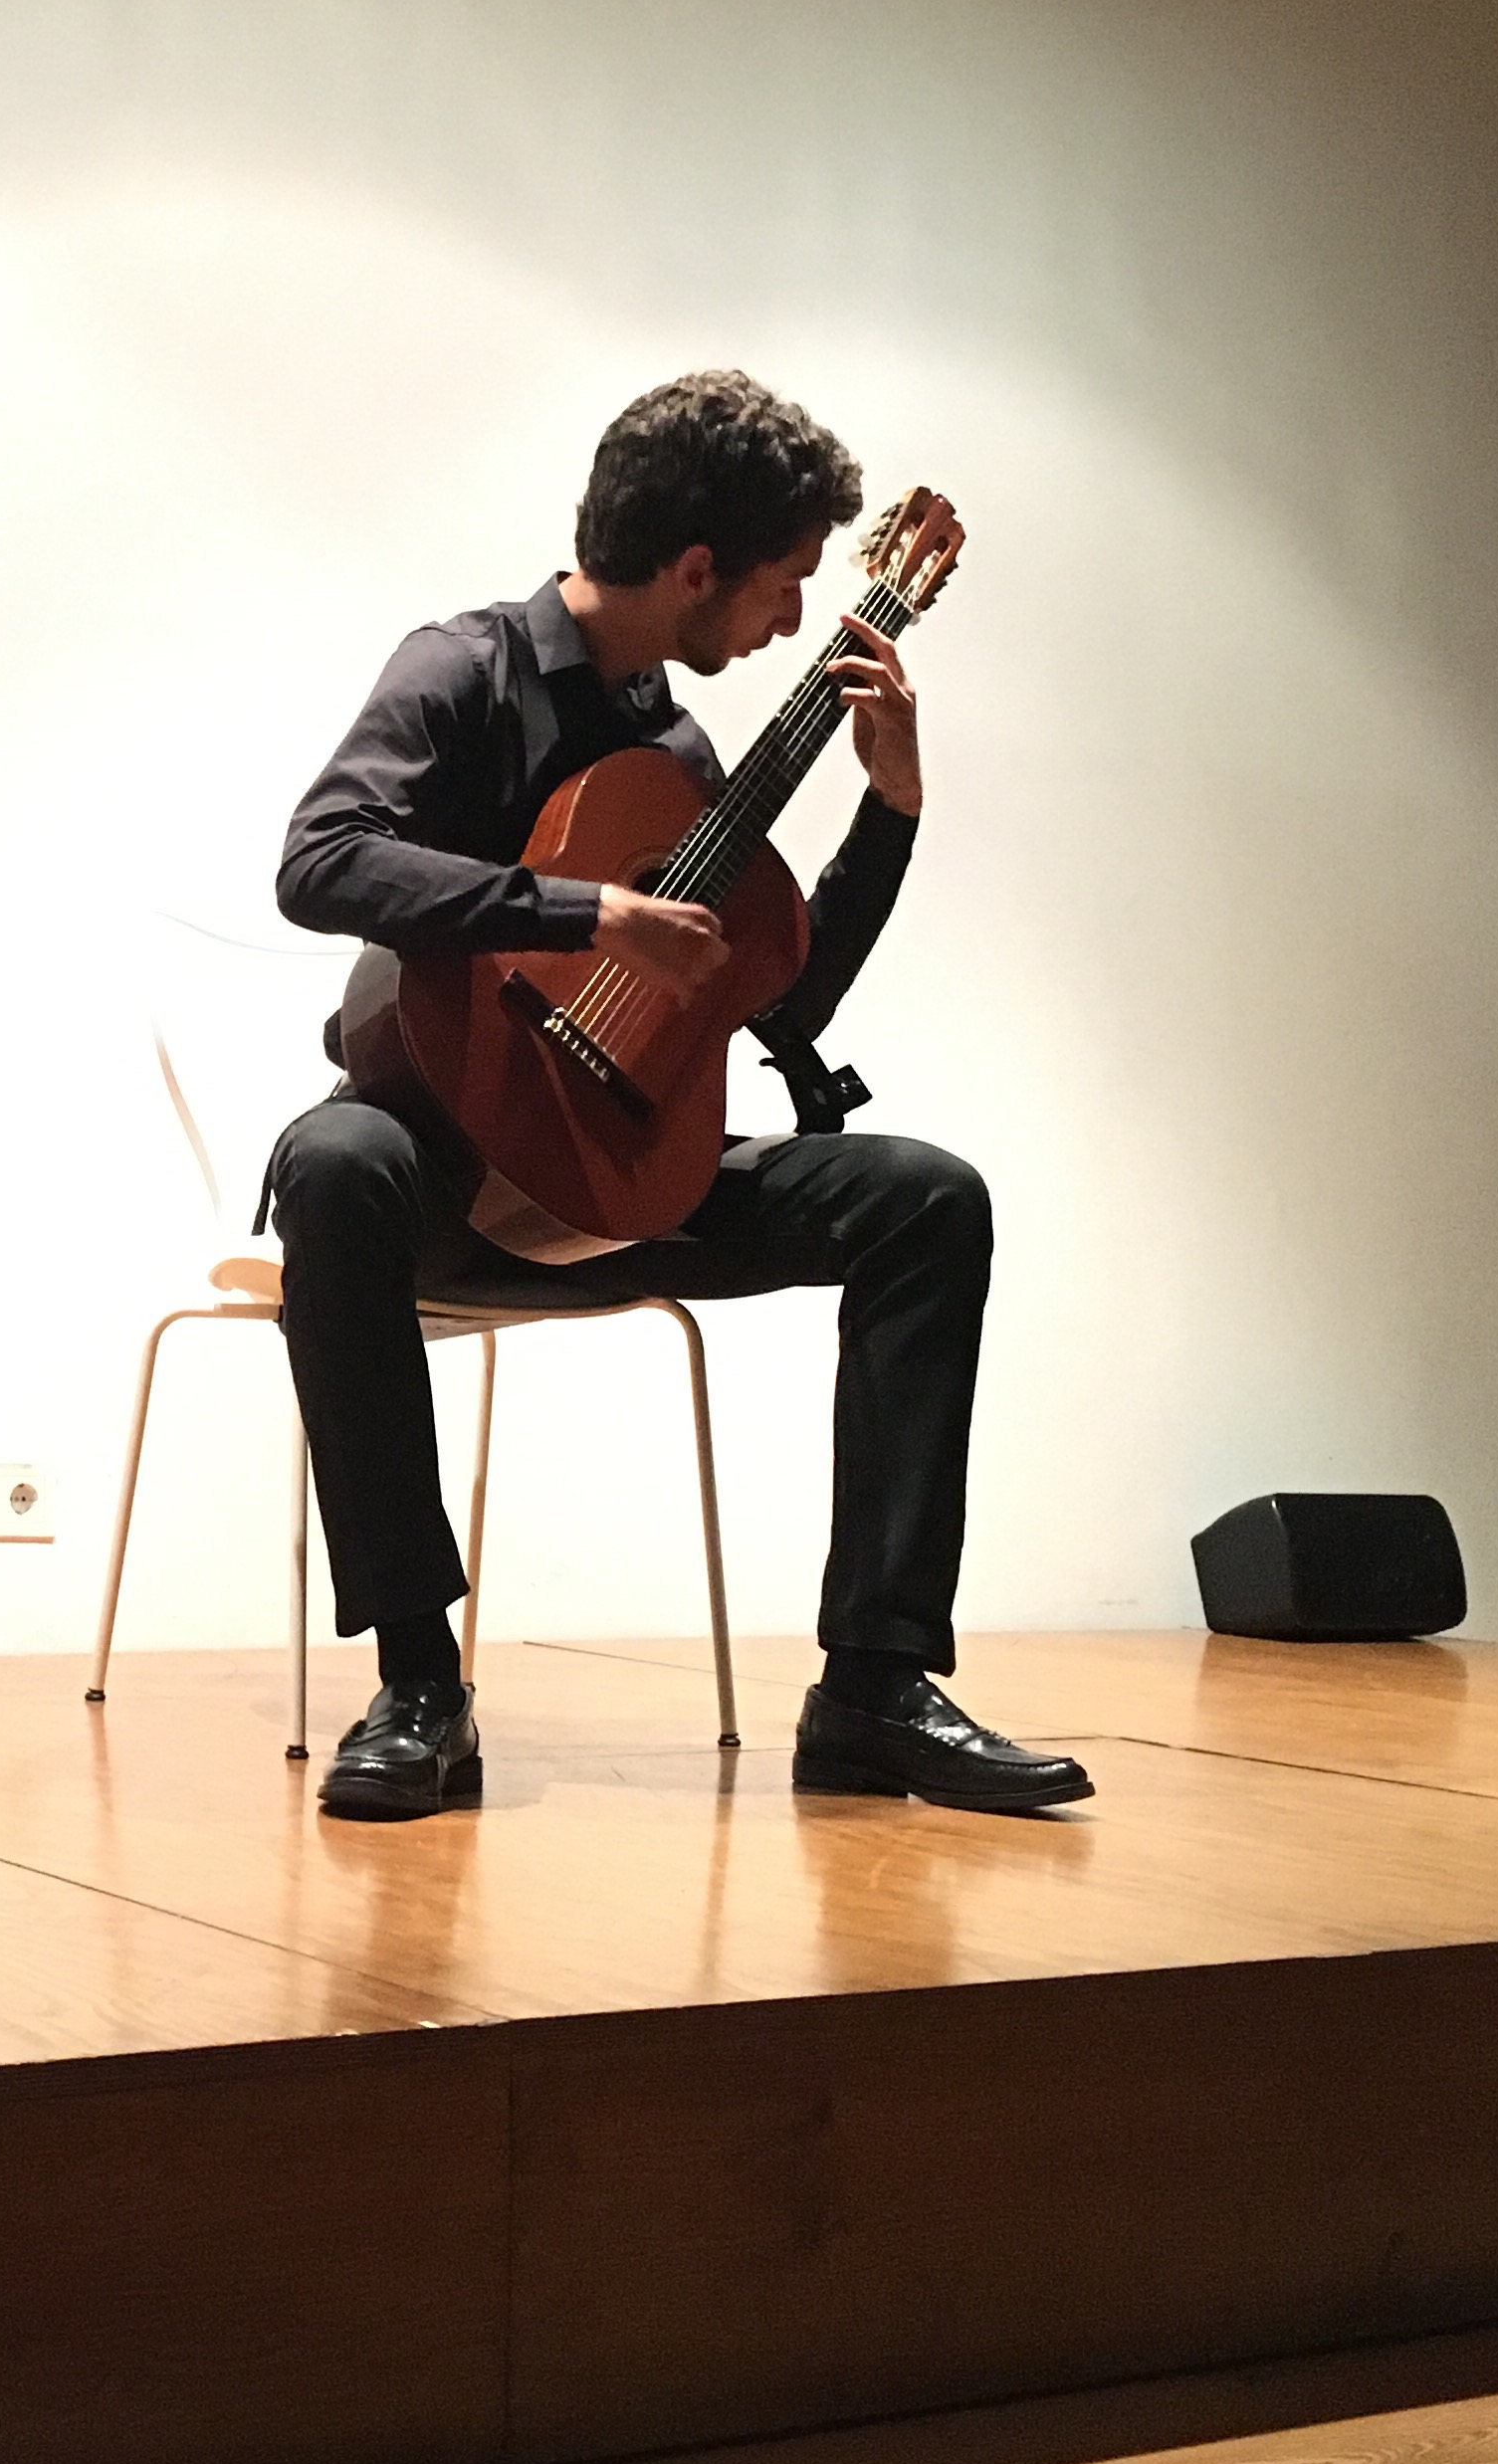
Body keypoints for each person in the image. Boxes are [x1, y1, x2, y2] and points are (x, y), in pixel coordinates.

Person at [269, 365, 1092, 1826]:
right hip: (439, 1177)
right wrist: (580, 911)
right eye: (784, 583)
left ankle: (874, 1686)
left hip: (621, 1179)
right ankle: (418, 1685)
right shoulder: (461, 672)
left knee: (926, 1199)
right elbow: (320, 860)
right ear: (698, 568)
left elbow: (779, 1001)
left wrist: (891, 808)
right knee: (331, 1161)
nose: (793, 619)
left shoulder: (679, 752)